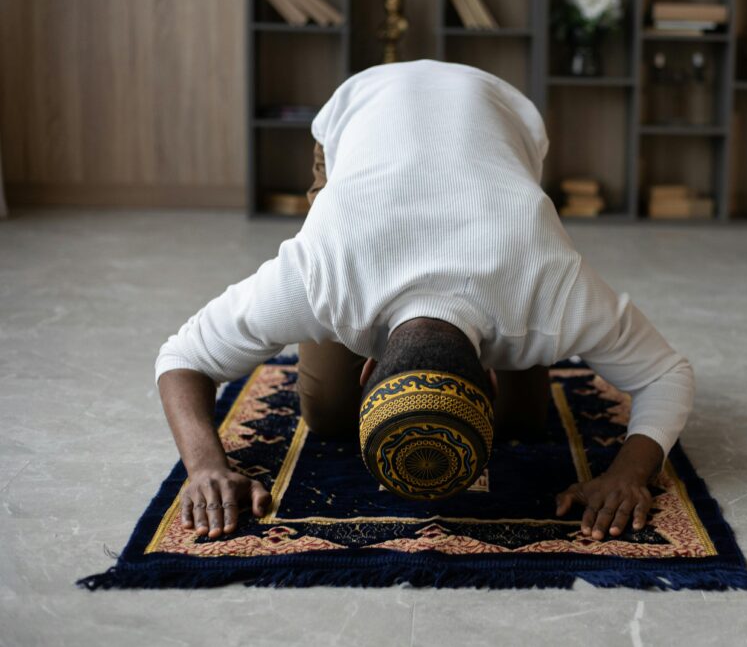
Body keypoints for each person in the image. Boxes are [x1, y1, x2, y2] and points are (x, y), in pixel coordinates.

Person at [156, 60, 694, 543]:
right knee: (327, 413)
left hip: (498, 118)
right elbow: (181, 360)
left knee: (525, 421)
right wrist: (204, 465)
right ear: (489, 378)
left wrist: (627, 474)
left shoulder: (552, 286)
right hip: (359, 110)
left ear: (369, 370)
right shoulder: (317, 272)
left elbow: (668, 373)